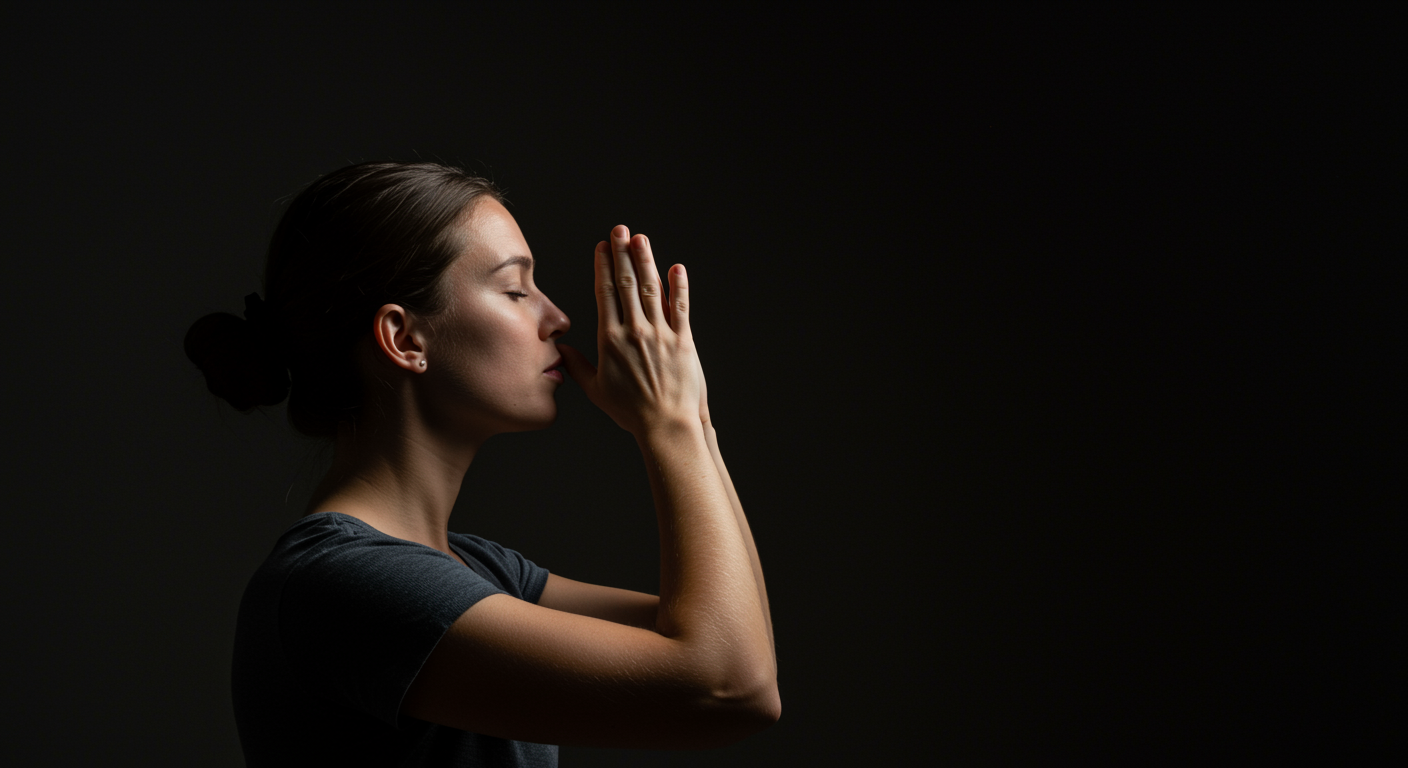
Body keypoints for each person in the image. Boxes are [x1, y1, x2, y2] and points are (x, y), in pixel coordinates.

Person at [183, 162, 779, 766]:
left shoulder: (480, 571)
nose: (557, 318)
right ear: (405, 338)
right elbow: (728, 683)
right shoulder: (343, 584)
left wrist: (693, 418)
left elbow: (730, 638)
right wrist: (670, 424)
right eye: (517, 290)